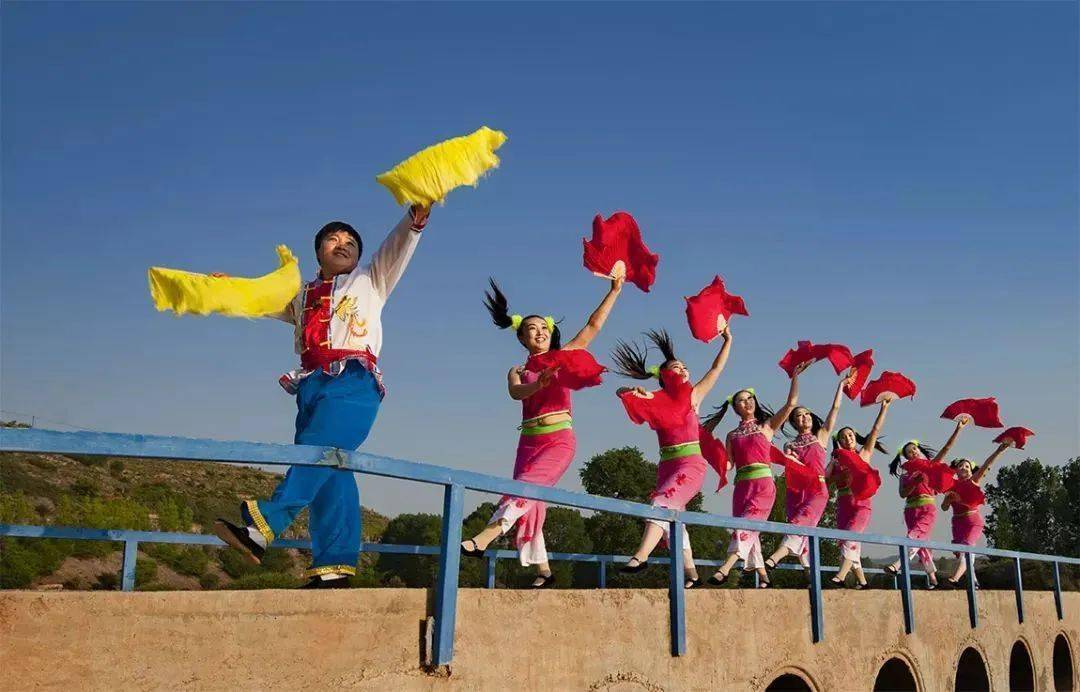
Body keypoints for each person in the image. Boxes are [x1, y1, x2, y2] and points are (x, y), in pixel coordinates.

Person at [214, 205, 431, 589]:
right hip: (311, 385)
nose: (342, 243)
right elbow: (260, 301)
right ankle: (334, 569)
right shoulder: (301, 295)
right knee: (330, 471)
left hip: (353, 380)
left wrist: (414, 217)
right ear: (318, 252)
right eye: (333, 238)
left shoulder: (371, 280)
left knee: (315, 455)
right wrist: (227, 286)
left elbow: (398, 245)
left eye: (350, 241)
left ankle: (263, 528)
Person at [459, 275, 623, 587]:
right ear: (521, 337)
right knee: (532, 503)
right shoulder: (518, 370)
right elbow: (516, 394)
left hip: (559, 439)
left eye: (544, 328)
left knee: (523, 491)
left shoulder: (562, 358)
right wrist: (537, 383)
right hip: (528, 442)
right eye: (532, 329)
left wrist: (614, 291)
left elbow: (592, 326)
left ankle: (484, 537)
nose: (540, 332)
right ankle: (543, 571)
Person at [611, 327, 733, 588]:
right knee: (674, 522)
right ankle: (692, 574)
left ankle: (641, 556)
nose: (684, 370)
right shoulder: (655, 398)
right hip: (666, 465)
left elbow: (715, 370)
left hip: (691, 464)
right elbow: (620, 391)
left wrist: (728, 341)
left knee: (661, 503)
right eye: (677, 367)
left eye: (684, 366)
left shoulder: (693, 395)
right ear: (664, 375)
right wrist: (634, 391)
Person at [703, 362, 810, 588]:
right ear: (736, 407)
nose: (747, 402)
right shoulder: (732, 435)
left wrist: (795, 377)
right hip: (741, 486)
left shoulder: (766, 427)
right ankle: (764, 577)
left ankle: (726, 566)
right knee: (750, 530)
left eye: (750, 398)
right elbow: (729, 465)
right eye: (742, 400)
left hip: (763, 485)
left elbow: (791, 404)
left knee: (746, 526)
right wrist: (709, 450)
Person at [884, 418, 970, 589]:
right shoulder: (905, 475)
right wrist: (914, 483)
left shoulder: (930, 465)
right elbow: (902, 494)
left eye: (914, 449)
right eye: (909, 452)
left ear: (920, 450)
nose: (913, 452)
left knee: (913, 538)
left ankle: (898, 564)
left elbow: (946, 448)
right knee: (922, 546)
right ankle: (933, 580)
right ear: (905, 457)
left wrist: (958, 429)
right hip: (910, 510)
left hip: (927, 508)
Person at [941, 439, 1014, 587]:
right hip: (957, 524)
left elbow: (987, 465)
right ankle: (974, 582)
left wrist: (999, 450)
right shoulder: (950, 486)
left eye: (967, 466)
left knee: (967, 550)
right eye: (960, 465)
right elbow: (943, 508)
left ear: (971, 469)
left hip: (972, 521)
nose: (964, 467)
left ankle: (954, 579)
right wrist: (948, 500)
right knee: (963, 554)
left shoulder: (973, 480)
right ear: (955, 470)